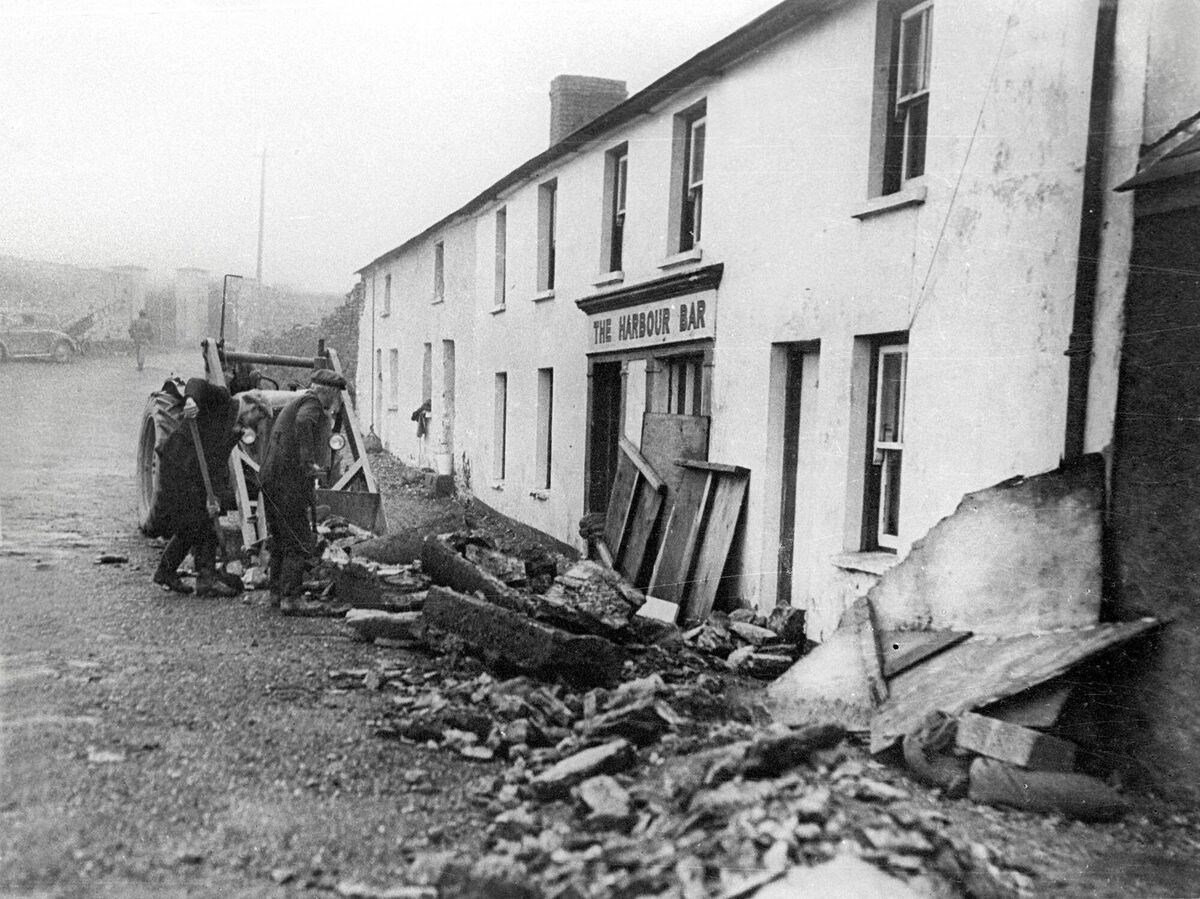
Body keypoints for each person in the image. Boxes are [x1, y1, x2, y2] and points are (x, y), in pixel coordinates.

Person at [148, 380, 272, 597]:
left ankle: (169, 572)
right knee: (200, 523)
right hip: (179, 463)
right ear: (252, 407)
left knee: (196, 523)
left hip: (196, 474)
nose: (257, 423)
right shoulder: (222, 399)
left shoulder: (236, 430)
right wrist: (190, 401)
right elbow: (197, 385)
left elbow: (217, 464)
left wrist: (213, 496)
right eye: (259, 417)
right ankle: (205, 580)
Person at [259, 369, 345, 610]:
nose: (334, 402)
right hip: (287, 482)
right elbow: (304, 422)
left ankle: (276, 594)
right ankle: (291, 598)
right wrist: (308, 463)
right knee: (297, 538)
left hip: (271, 478)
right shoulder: (312, 404)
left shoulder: (297, 401)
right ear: (328, 392)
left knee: (279, 539)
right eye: (336, 395)